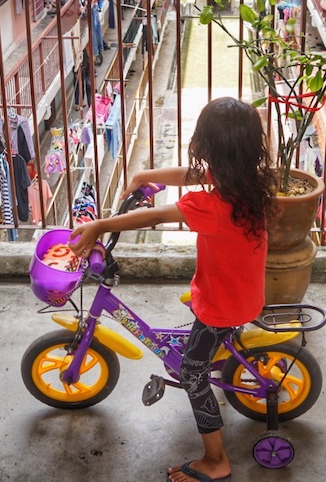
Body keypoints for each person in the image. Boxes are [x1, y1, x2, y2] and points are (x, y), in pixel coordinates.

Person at [69, 97, 276, 482]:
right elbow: (190, 175)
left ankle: (216, 461)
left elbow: (156, 216)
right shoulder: (245, 180)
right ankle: (215, 352)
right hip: (238, 291)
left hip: (222, 305)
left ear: (208, 148)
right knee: (201, 342)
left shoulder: (211, 206)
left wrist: (101, 226)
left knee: (192, 375)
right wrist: (146, 175)